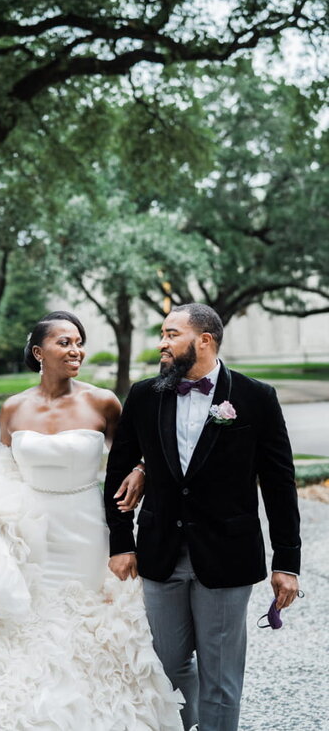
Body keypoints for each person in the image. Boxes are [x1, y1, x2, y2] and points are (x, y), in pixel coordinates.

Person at [0, 310, 184, 730]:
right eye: (65, 342)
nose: (76, 349)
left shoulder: (103, 402)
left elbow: (134, 453)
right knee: (31, 622)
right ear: (38, 352)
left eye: (79, 341)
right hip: (31, 533)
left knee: (85, 620)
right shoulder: (13, 409)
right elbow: (4, 467)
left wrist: (141, 471)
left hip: (85, 527)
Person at [105, 303, 301, 731]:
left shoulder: (256, 397)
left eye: (171, 334)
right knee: (166, 667)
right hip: (160, 554)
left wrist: (287, 561)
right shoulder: (143, 395)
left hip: (228, 556)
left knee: (222, 677)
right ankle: (185, 722)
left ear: (204, 341)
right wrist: (120, 541)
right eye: (162, 334)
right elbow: (118, 471)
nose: (162, 343)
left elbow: (280, 483)